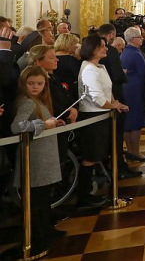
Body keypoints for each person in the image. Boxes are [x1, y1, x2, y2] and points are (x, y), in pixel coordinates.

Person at [11, 66, 66, 255]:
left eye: (40, 84)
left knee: (43, 199)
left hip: (43, 156)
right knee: (37, 200)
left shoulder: (36, 101)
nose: (35, 87)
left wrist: (52, 122)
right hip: (36, 158)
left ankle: (46, 231)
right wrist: (44, 124)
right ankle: (39, 235)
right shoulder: (27, 102)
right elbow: (17, 126)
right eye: (31, 83)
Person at [77, 34, 129, 208]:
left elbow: (108, 90)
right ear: (93, 49)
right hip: (93, 117)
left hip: (103, 115)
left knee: (102, 154)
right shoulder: (89, 69)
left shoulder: (99, 67)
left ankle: (109, 192)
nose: (106, 48)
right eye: (102, 46)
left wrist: (115, 103)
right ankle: (83, 195)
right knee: (91, 156)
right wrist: (112, 106)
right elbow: (97, 97)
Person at [99, 24, 140, 180]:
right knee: (116, 134)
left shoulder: (92, 51)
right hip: (114, 96)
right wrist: (123, 75)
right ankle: (119, 168)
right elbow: (118, 76)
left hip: (104, 98)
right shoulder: (111, 52)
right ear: (111, 35)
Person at [28, 45, 78, 161]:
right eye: (52, 58)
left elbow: (66, 96)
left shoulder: (53, 77)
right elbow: (47, 103)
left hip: (61, 122)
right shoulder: (36, 82)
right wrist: (67, 112)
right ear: (39, 62)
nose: (57, 60)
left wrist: (73, 109)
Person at [121, 27, 145, 162]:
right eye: (139, 37)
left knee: (129, 123)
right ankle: (135, 152)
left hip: (129, 91)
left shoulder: (127, 52)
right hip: (135, 92)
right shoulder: (135, 53)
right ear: (132, 39)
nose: (142, 39)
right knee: (135, 122)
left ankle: (132, 151)